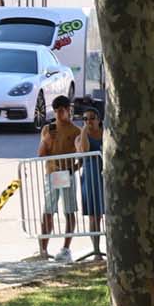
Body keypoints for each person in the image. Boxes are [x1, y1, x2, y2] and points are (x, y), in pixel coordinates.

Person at [36, 95, 79, 262]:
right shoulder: (48, 129)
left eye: (61, 110)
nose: (58, 114)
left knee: (69, 210)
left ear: (68, 110)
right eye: (56, 111)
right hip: (52, 173)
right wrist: (48, 139)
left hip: (66, 174)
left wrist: (73, 168)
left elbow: (82, 153)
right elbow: (41, 154)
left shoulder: (75, 131)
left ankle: (66, 248)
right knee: (48, 210)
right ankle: (43, 249)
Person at [75, 100, 106, 259]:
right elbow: (84, 150)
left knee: (108, 213)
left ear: (99, 119)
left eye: (92, 118)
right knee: (94, 216)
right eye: (85, 119)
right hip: (90, 176)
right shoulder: (80, 137)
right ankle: (96, 250)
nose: (89, 121)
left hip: (105, 175)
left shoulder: (106, 133)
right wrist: (84, 132)